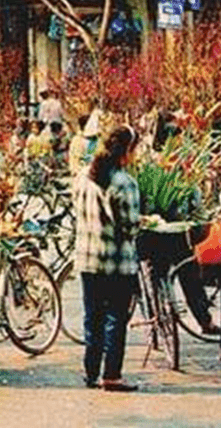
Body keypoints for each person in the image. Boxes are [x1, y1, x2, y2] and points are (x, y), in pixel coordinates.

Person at [73, 126, 141, 391]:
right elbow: (130, 227)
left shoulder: (83, 177)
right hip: (116, 262)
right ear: (126, 151)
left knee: (93, 318)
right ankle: (112, 374)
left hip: (88, 259)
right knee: (115, 318)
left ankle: (91, 372)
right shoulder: (124, 182)